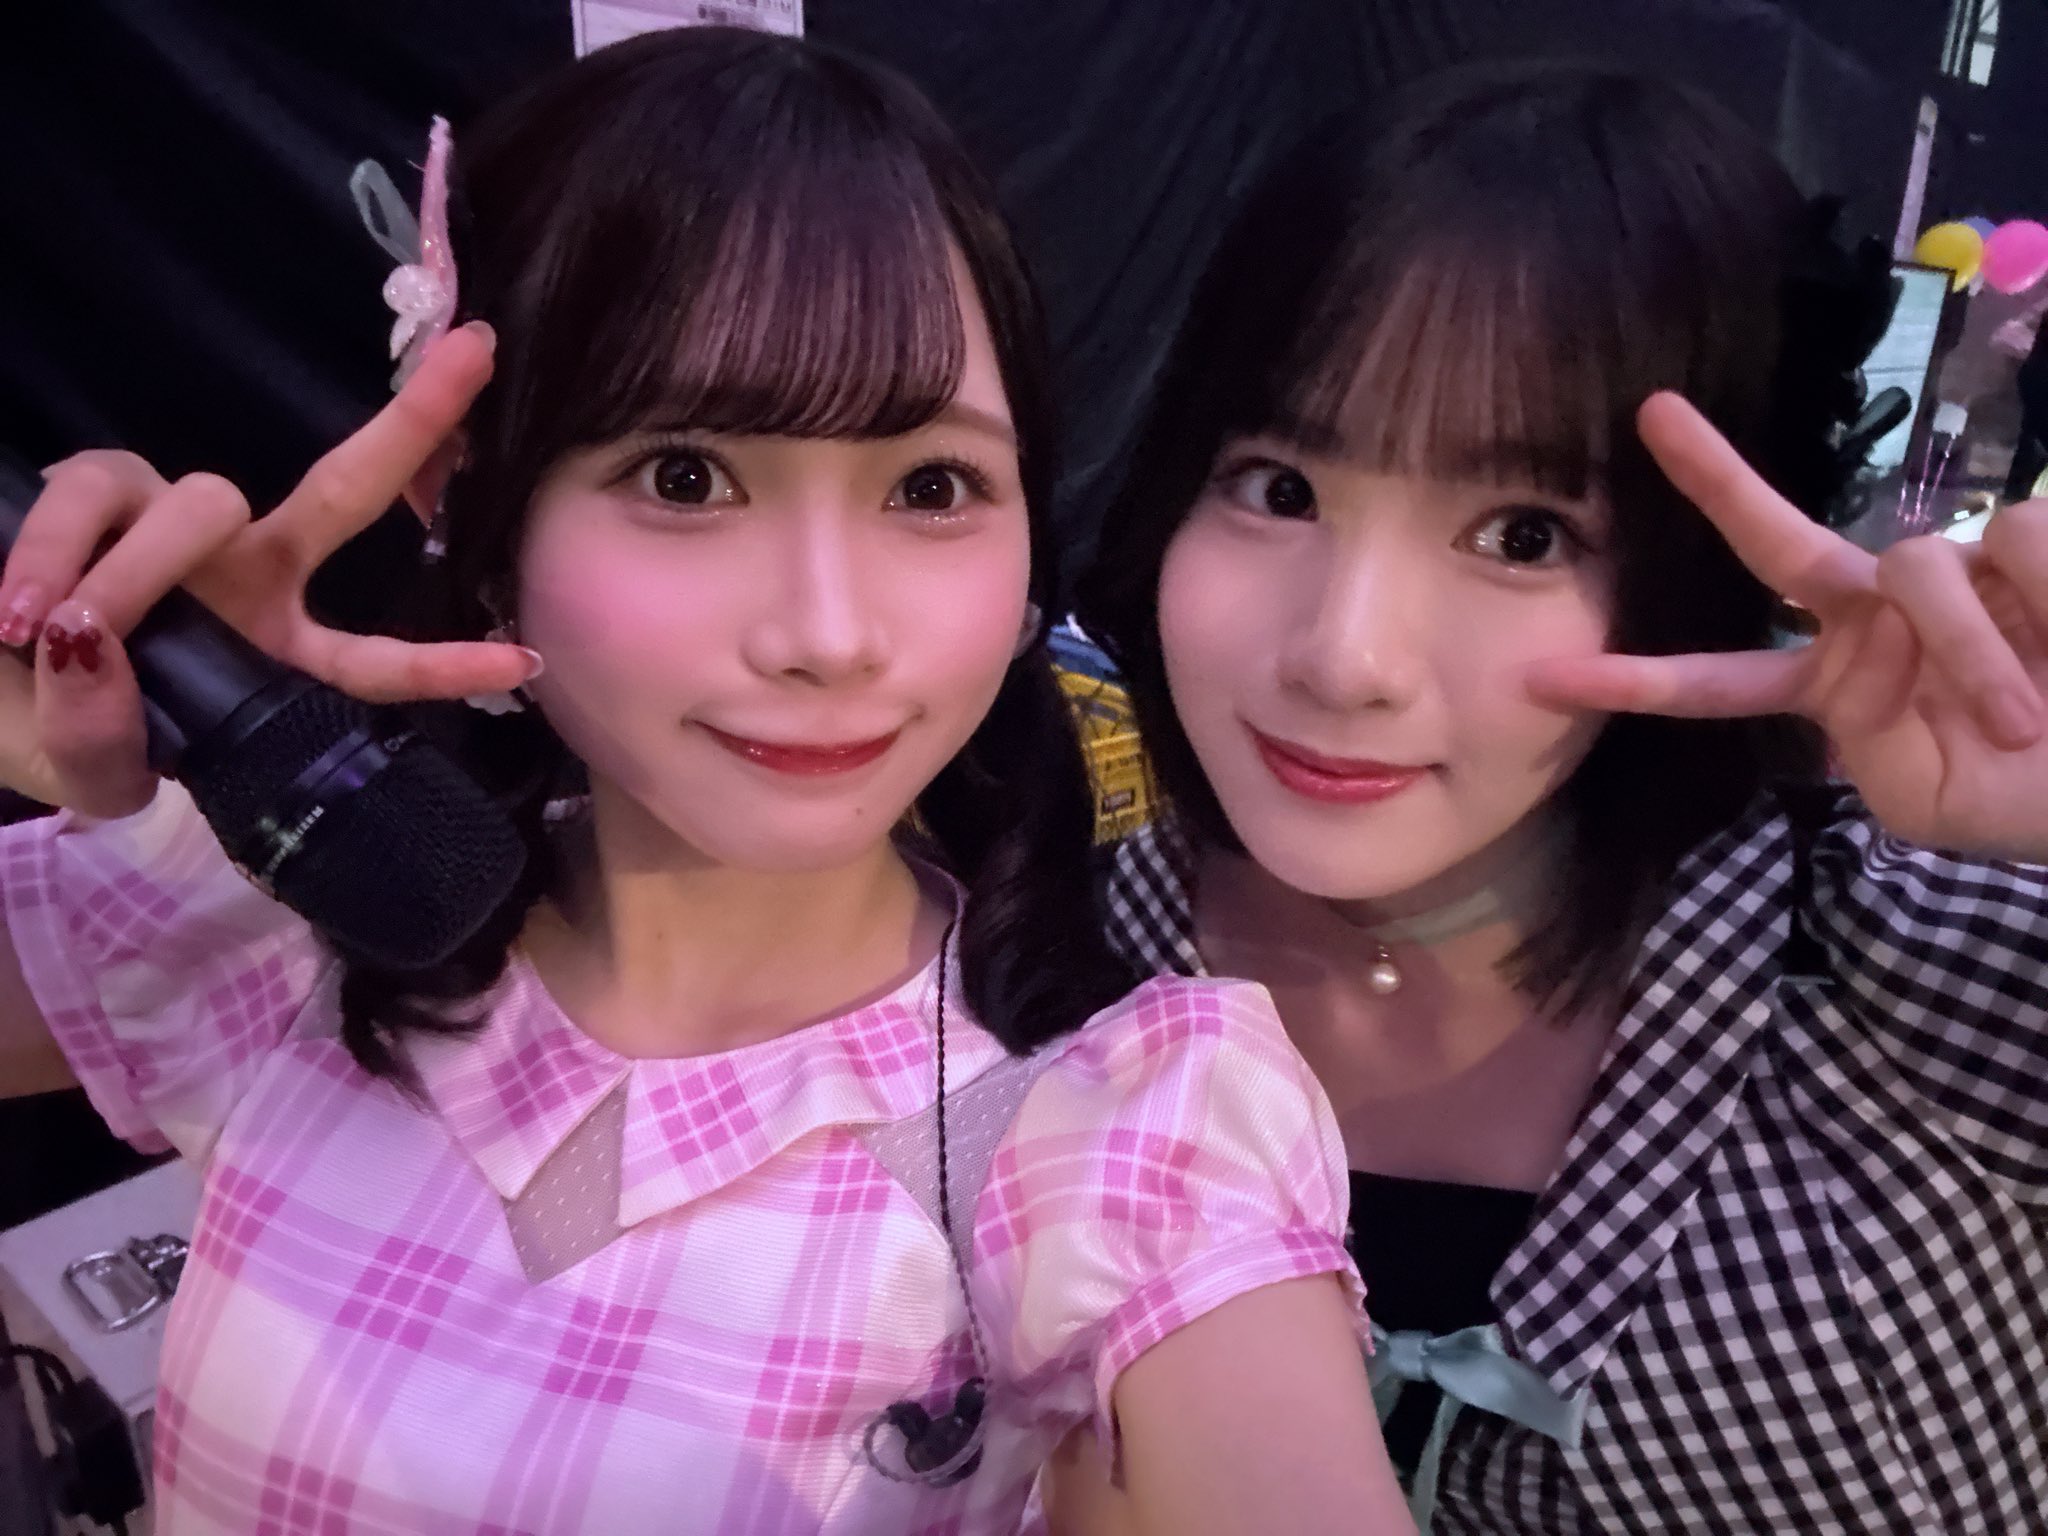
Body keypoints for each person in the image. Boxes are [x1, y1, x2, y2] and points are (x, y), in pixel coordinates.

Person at [0, 29, 1411, 1534]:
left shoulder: (1120, 1131)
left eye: (932, 487)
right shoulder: (288, 905)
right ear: (472, 502)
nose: (828, 635)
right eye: (686, 477)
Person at [1072, 63, 2048, 1534]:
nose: (1344, 658)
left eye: (1523, 534)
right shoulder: (1046, 970)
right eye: (1278, 488)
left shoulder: (1931, 977)